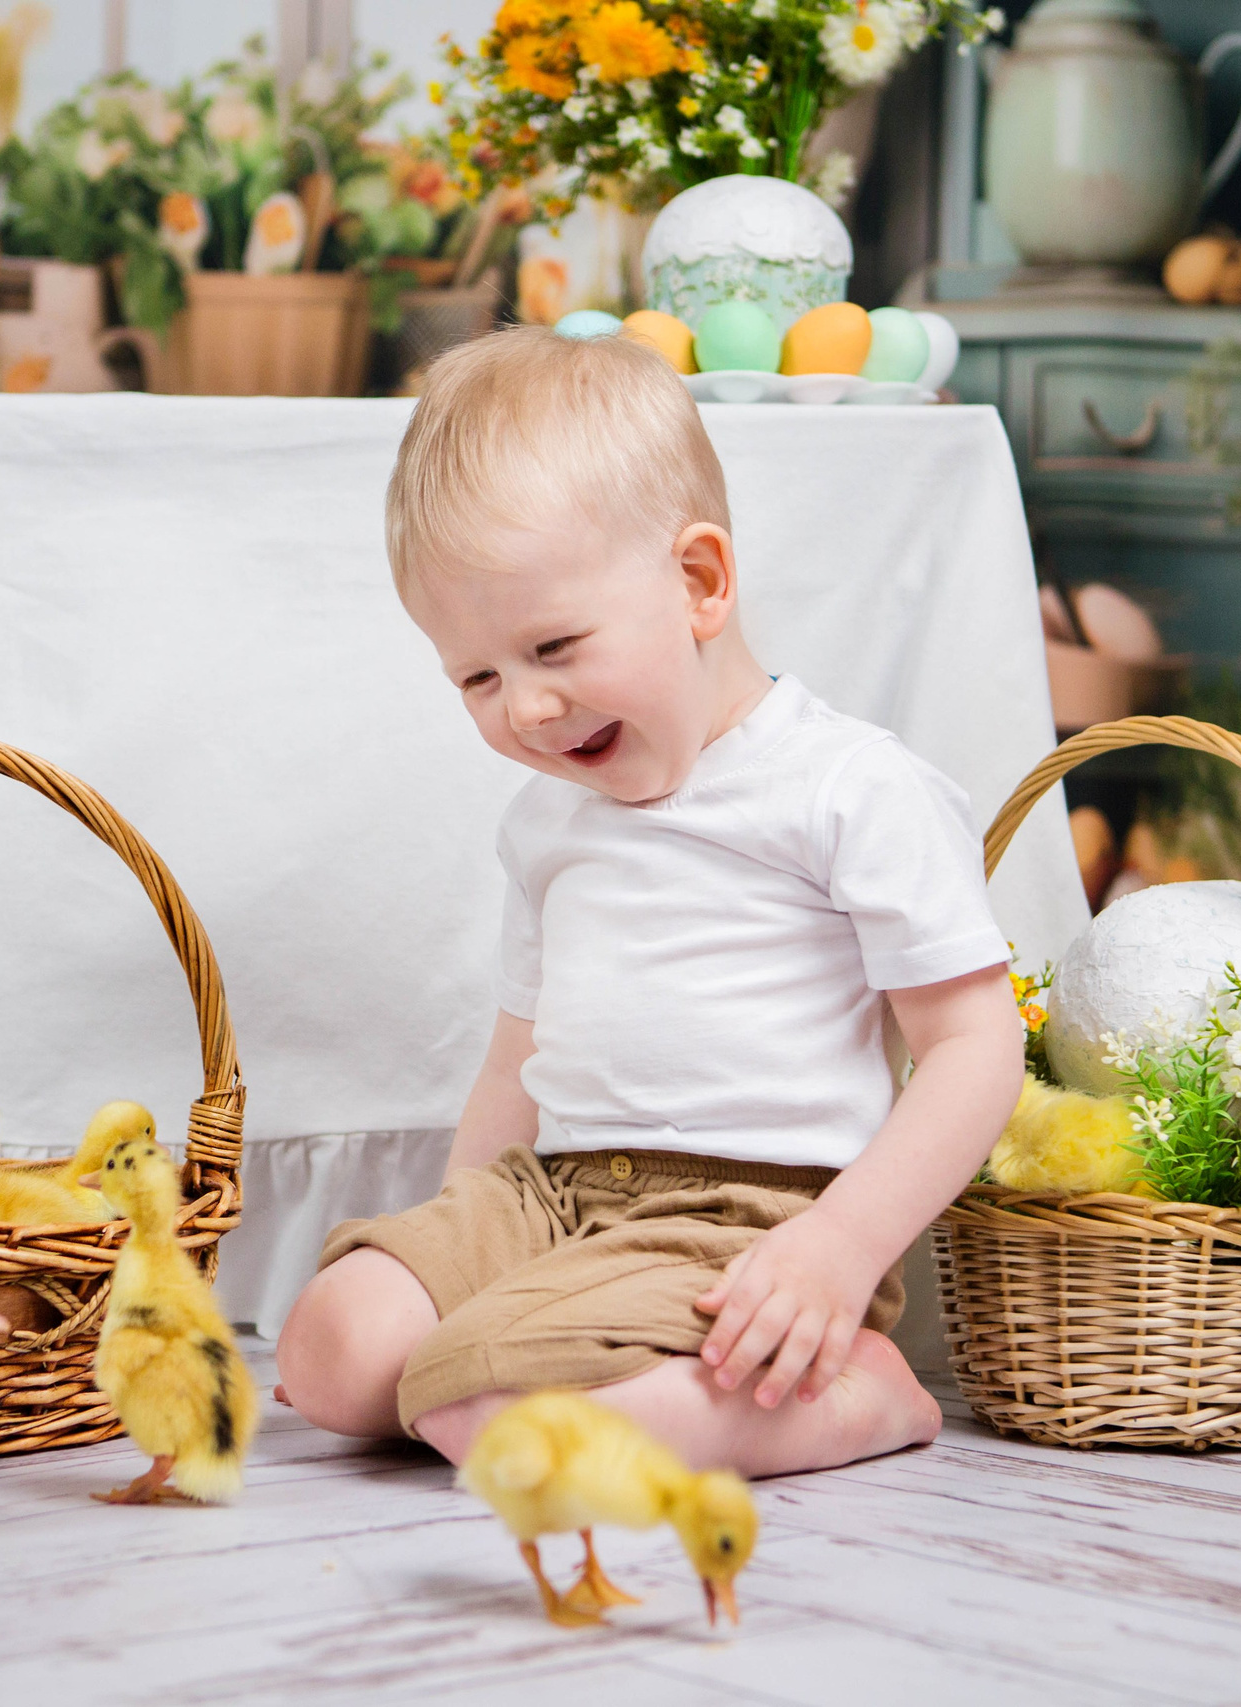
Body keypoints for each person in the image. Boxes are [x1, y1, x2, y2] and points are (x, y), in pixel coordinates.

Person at [275, 327, 1023, 1476]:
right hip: (554, 1197)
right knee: (332, 1353)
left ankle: (862, 1398)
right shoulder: (545, 824)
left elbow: (975, 1048)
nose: (524, 707)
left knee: (494, 1417)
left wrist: (841, 1245)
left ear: (698, 582)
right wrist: (457, 1251)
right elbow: (513, 1058)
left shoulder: (845, 788)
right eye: (477, 676)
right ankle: (537, 1356)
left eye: (552, 646)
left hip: (745, 1217)